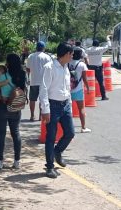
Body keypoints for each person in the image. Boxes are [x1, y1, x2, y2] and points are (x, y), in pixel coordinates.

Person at [40, 43, 75, 179]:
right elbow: (43, 89)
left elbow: (67, 88)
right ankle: (49, 166)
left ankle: (57, 152)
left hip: (65, 105)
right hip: (53, 106)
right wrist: (45, 109)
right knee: (51, 137)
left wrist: (69, 105)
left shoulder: (66, 67)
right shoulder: (49, 67)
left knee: (70, 133)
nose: (72, 57)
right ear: (66, 54)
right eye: (71, 54)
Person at [0, 54, 25, 170]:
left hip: (2, 105)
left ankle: (0, 160)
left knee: (1, 133)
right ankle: (17, 161)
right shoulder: (22, 74)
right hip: (16, 106)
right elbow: (23, 89)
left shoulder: (3, 76)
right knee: (15, 133)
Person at [26, 41, 52, 121]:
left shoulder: (31, 56)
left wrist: (28, 78)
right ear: (43, 48)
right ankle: (41, 116)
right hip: (44, 82)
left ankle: (32, 115)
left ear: (36, 47)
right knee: (42, 99)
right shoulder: (47, 57)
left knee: (32, 99)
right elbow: (50, 69)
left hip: (34, 81)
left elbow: (27, 68)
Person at [69, 47, 92, 133]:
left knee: (68, 110)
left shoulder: (68, 63)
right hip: (78, 89)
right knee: (81, 108)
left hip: (68, 89)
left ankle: (69, 127)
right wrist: (88, 88)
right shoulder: (82, 65)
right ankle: (83, 127)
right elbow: (85, 78)